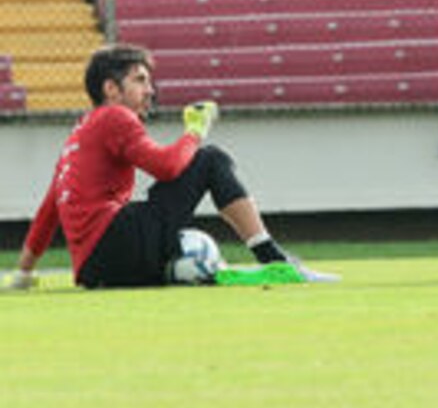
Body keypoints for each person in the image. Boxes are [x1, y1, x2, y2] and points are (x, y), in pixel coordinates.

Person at [7, 43, 336, 289]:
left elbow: (49, 211)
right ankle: (274, 260)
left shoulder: (77, 136)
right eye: (140, 81)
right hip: (118, 242)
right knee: (210, 159)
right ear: (110, 89)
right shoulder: (116, 116)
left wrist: (24, 273)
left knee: (168, 215)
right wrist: (194, 130)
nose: (150, 91)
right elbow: (167, 167)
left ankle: (203, 272)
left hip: (95, 270)